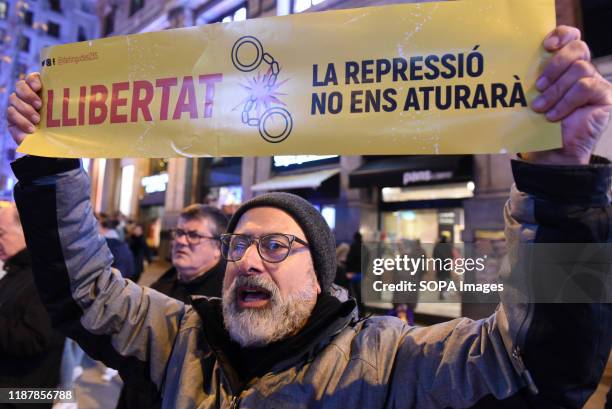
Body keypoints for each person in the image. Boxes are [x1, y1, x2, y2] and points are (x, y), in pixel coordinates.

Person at [6, 25, 612, 408]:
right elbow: (85, 290)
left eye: (275, 247)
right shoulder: (177, 339)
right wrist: (48, 166)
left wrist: (562, 189)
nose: (247, 260)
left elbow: (541, 368)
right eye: (241, 242)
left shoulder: (388, 366)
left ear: (320, 276)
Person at [114, 205, 227, 408]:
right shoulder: (162, 285)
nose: (181, 241)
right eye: (179, 233)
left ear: (218, 247)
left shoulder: (223, 304)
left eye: (194, 235)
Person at [0, 204, 65, 409]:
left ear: (26, 232)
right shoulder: (18, 268)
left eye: (1, 233)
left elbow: (34, 338)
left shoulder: (48, 277)